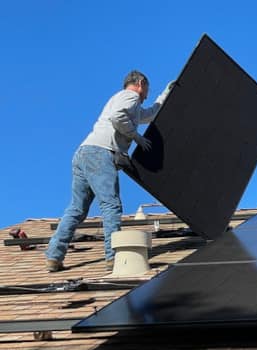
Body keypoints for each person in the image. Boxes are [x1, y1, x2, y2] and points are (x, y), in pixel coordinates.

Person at [45, 70, 175, 272]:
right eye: (148, 88)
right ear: (140, 83)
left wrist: (165, 94)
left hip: (84, 153)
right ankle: (113, 258)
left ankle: (54, 256)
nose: (148, 93)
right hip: (100, 153)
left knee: (76, 209)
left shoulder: (123, 100)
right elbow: (117, 117)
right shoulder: (130, 96)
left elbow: (149, 114)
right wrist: (135, 137)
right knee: (111, 205)